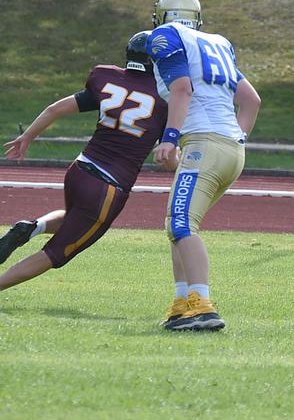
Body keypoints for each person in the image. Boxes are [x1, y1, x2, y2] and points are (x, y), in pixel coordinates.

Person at [0, 32, 170, 291]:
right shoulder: (166, 99)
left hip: (80, 170)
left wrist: (26, 137)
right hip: (108, 187)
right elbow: (167, 161)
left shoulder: (110, 80)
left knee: (73, 218)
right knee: (56, 253)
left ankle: (33, 227)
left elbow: (55, 109)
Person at [147, 0, 261, 331]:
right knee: (177, 223)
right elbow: (252, 101)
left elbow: (182, 88)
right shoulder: (218, 42)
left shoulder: (166, 36)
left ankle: (201, 304)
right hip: (230, 147)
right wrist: (234, 139)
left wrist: (169, 137)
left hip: (204, 142)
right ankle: (183, 303)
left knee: (181, 223)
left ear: (162, 14)